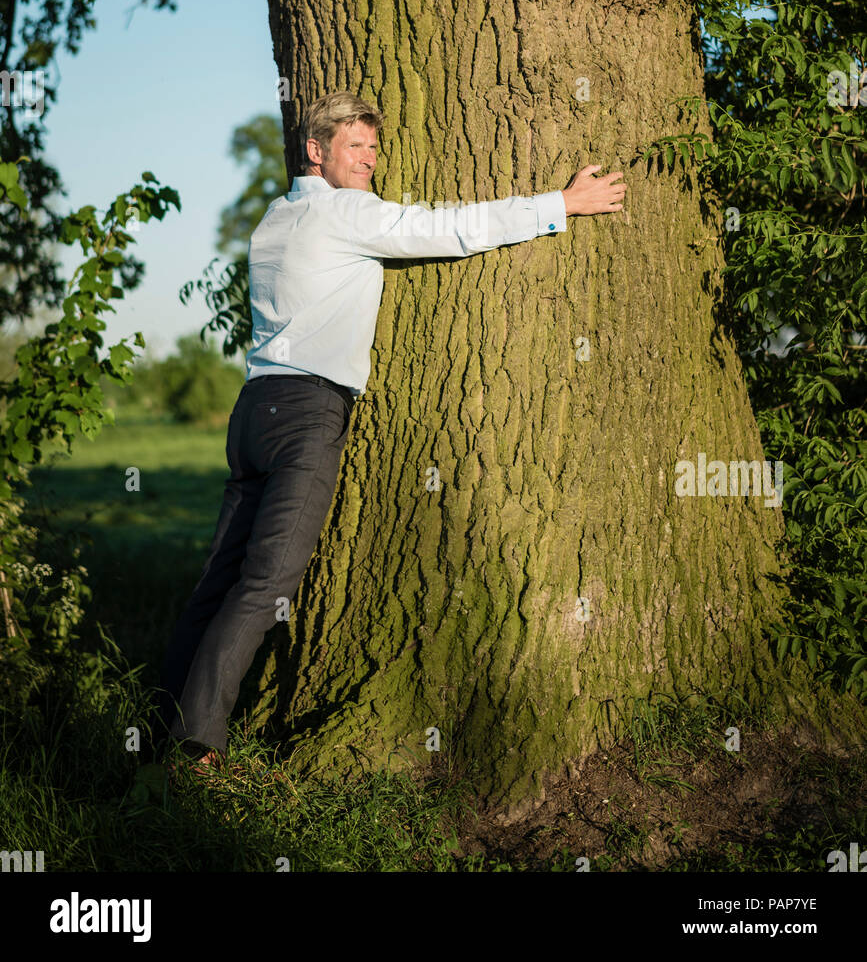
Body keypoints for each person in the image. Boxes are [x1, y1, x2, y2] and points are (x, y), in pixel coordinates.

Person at [150, 90, 626, 772]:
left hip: (253, 410)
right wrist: (561, 205)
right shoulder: (345, 212)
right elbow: (450, 230)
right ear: (316, 151)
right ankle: (194, 748)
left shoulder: (275, 218)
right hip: (308, 412)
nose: (370, 160)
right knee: (266, 584)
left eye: (374, 147)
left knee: (217, 582)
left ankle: (158, 722)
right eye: (355, 147)